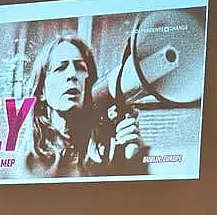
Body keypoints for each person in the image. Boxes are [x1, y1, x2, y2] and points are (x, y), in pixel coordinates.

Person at [22, 35, 146, 178]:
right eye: (60, 68)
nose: (72, 74)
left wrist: (133, 161)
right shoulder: (26, 161)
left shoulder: (104, 146)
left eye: (80, 67)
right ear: (41, 91)